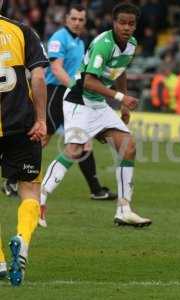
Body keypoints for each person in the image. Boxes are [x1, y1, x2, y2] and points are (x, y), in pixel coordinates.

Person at [40, 3, 152, 227]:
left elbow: (121, 71)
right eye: (122, 22)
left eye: (131, 23)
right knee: (75, 150)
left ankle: (124, 209)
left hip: (98, 104)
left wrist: (125, 105)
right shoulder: (103, 44)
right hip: (79, 100)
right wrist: (121, 99)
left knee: (128, 145)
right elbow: (90, 81)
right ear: (114, 23)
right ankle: (38, 201)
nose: (127, 27)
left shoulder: (130, 45)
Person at [39, 4, 117, 228]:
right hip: (56, 92)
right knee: (43, 138)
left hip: (74, 96)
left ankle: (96, 190)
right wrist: (76, 86)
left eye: (81, 20)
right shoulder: (59, 38)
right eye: (74, 19)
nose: (77, 23)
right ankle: (14, 179)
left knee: (84, 142)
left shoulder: (81, 42)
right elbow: (56, 69)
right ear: (66, 19)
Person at [0, 4, 49, 285]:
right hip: (22, 124)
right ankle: (23, 240)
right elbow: (39, 77)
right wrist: (41, 119)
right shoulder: (22, 30)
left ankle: (0, 263)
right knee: (30, 190)